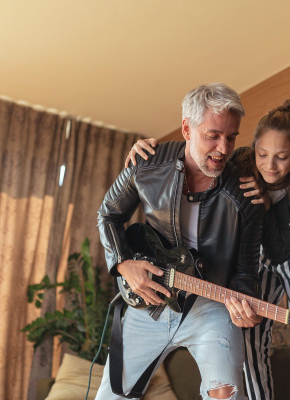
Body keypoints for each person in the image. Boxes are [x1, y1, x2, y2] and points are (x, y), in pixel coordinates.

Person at [125, 98, 290, 400]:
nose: (269, 165)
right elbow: (196, 158)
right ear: (252, 149)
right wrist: (145, 154)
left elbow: (280, 251)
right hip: (257, 259)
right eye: (262, 154)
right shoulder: (239, 162)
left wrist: (261, 205)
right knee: (249, 347)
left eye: (281, 157)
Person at [96, 82, 264, 400]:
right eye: (213, 135)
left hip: (211, 305)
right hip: (150, 302)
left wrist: (245, 304)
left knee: (225, 394)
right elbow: (108, 215)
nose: (223, 148)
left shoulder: (244, 195)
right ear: (187, 128)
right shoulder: (146, 163)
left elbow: (245, 271)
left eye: (231, 137)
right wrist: (123, 263)